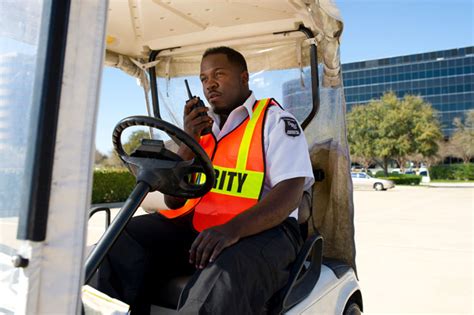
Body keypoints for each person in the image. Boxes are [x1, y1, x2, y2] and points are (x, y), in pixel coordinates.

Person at [96, 46, 314, 314]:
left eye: (218, 74)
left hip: (267, 230)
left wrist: (231, 230)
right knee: (120, 238)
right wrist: (189, 140)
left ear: (244, 78)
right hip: (205, 226)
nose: (210, 84)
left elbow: (289, 194)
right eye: (203, 78)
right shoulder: (201, 130)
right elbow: (173, 200)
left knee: (222, 277)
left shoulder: (274, 122)